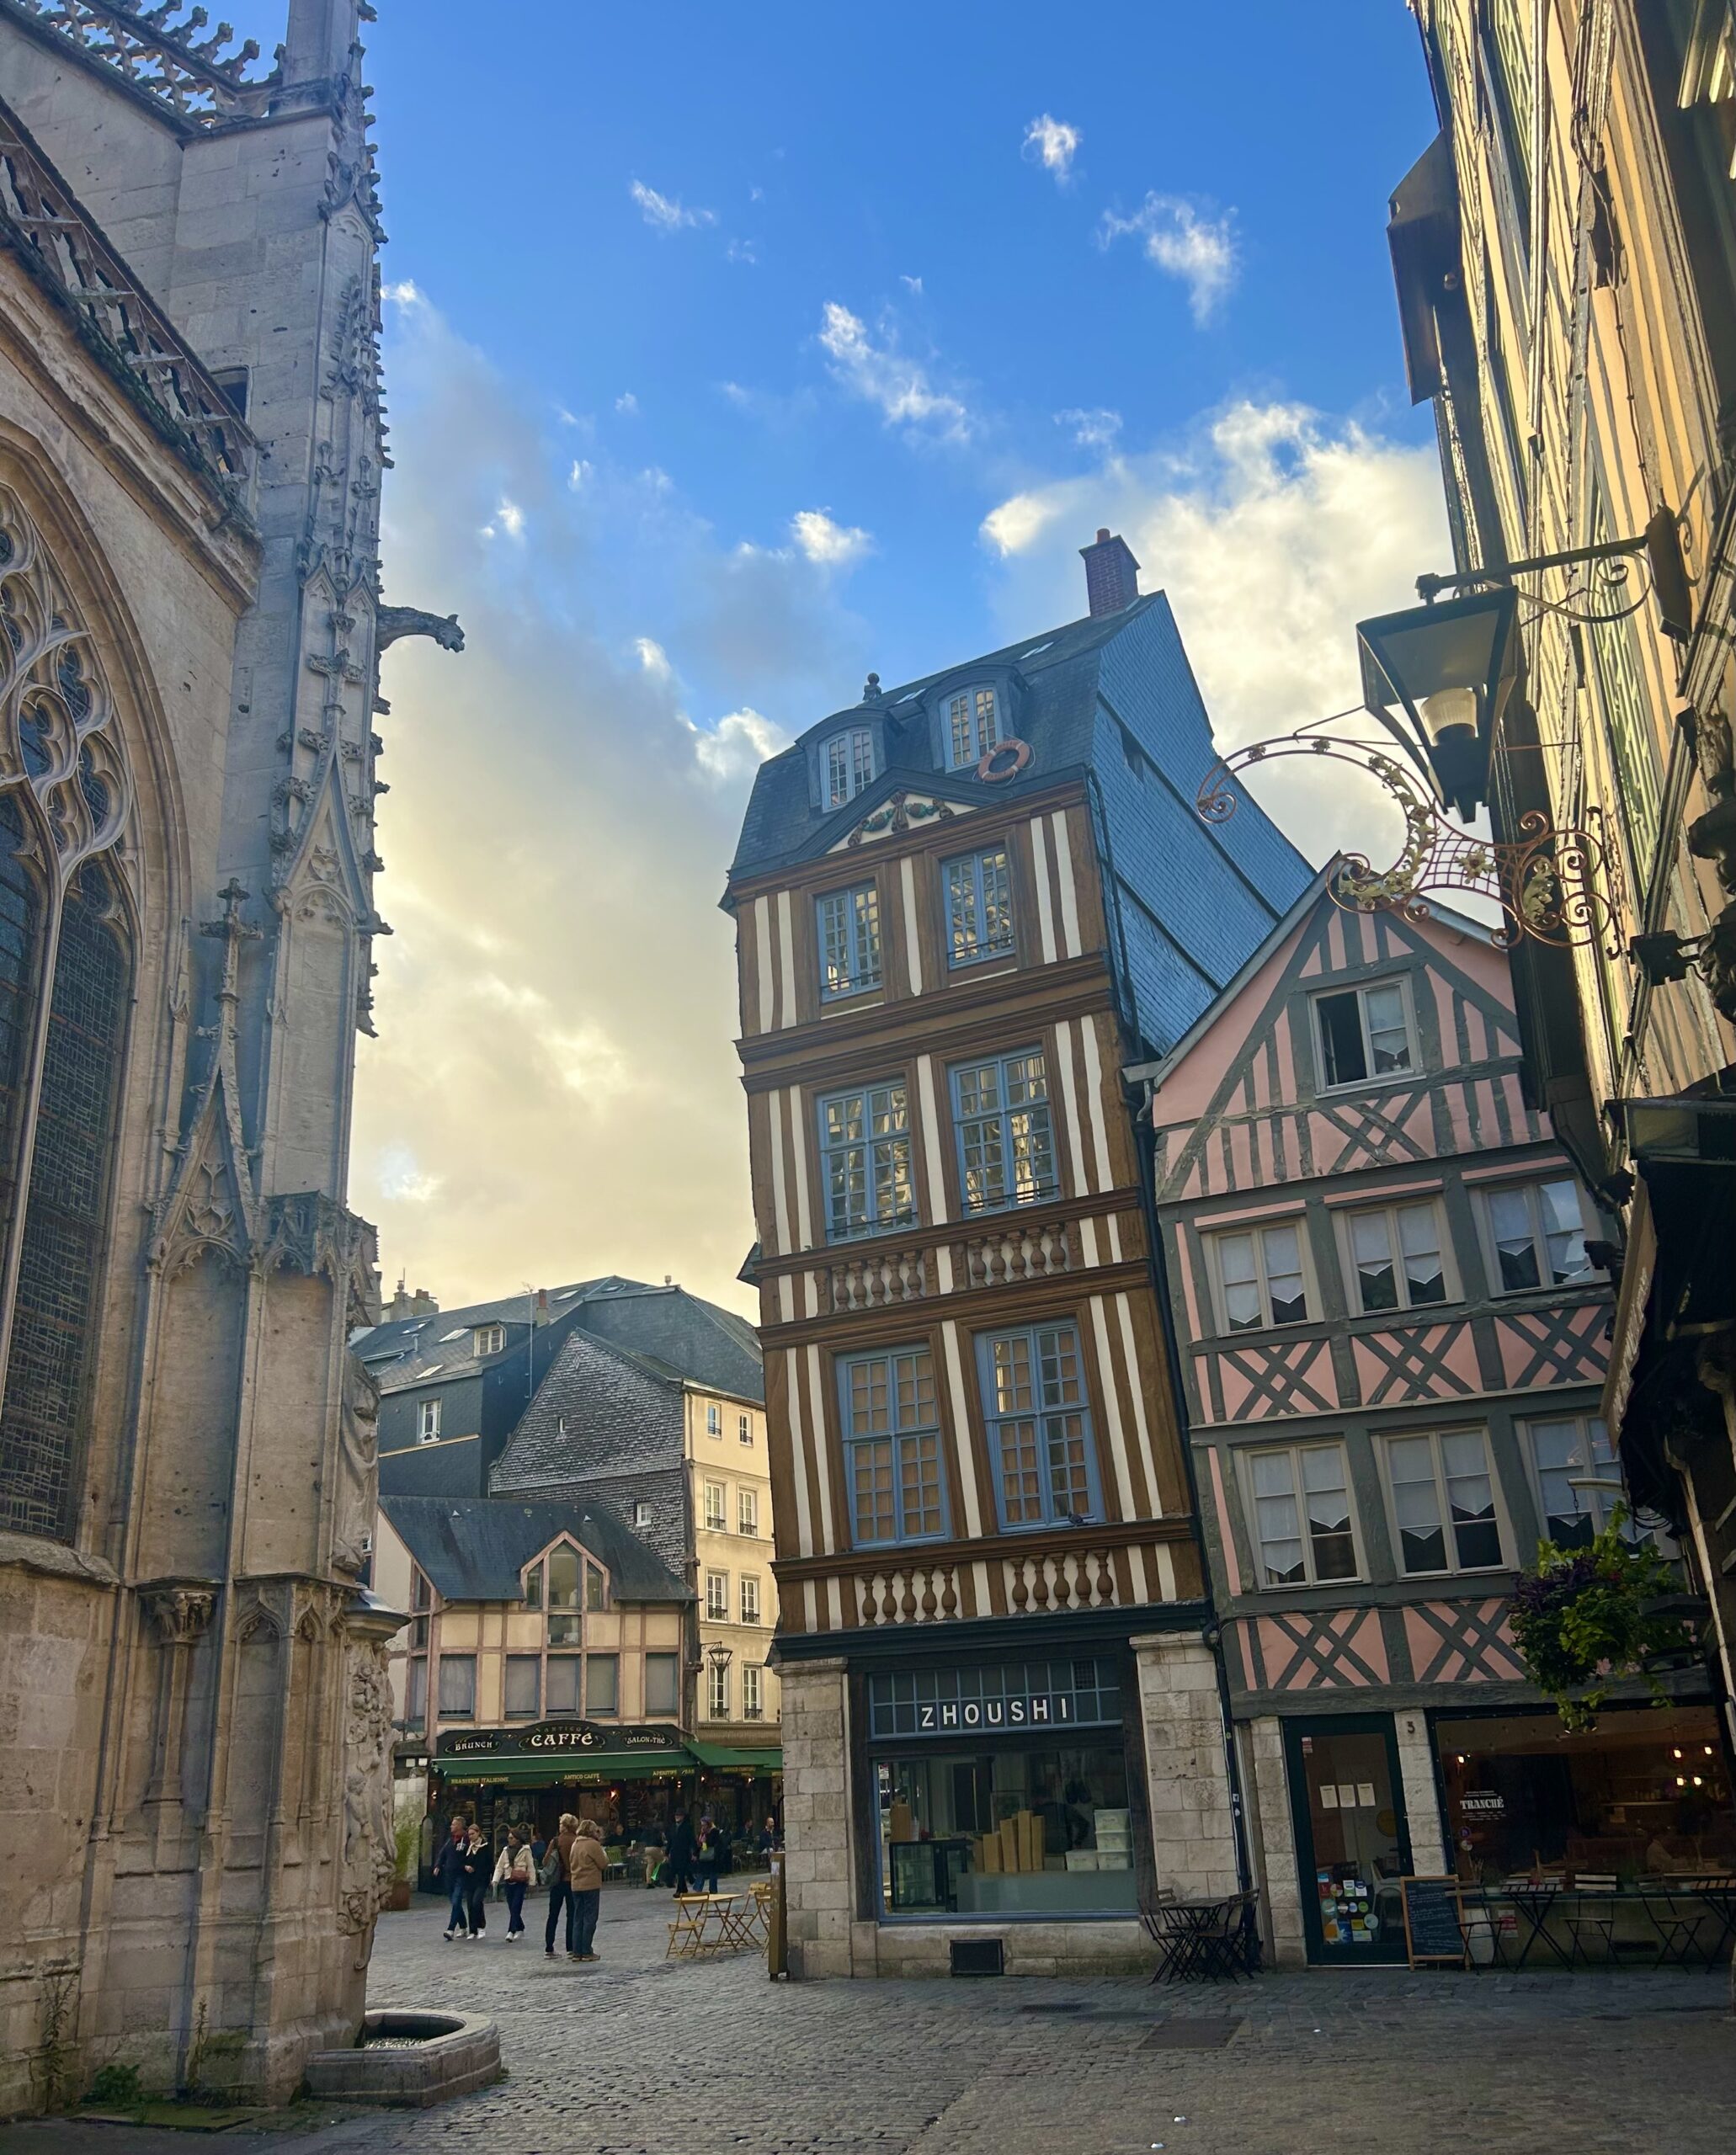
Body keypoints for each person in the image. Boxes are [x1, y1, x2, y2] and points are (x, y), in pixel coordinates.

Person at [567, 1817, 609, 1962]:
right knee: (590, 1917)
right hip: (590, 1884)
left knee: (578, 1918)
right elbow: (603, 1864)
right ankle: (586, 1950)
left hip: (576, 1885)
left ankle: (576, 1951)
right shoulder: (592, 1844)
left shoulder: (575, 1844)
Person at [543, 1811, 579, 1957]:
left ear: (564, 1826)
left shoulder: (556, 1841)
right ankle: (570, 1947)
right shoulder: (577, 1840)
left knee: (553, 1915)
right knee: (572, 1915)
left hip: (557, 1881)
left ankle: (549, 1947)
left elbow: (546, 1861)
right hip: (572, 1880)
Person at [493, 1826, 535, 1940]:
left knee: (516, 1905)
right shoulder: (505, 1851)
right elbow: (500, 1867)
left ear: (517, 1839)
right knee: (512, 1907)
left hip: (520, 1881)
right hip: (509, 1880)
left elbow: (531, 1867)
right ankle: (520, 1927)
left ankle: (511, 1931)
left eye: (512, 1838)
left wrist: (532, 1882)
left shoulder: (525, 1850)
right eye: (509, 1838)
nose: (509, 1840)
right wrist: (495, 1880)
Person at [434, 1817, 469, 1940]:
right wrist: (438, 1865)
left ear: (460, 1826)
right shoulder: (450, 1840)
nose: (451, 1826)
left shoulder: (466, 1839)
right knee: (455, 1902)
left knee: (457, 1899)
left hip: (461, 1874)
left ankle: (451, 1929)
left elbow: (469, 1856)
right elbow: (442, 1854)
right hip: (449, 1875)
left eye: (454, 1825)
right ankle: (464, 1926)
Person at [459, 1822, 491, 1938]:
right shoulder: (468, 1847)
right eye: (469, 1834)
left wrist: (478, 1870)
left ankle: (481, 1926)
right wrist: (465, 1867)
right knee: (470, 1904)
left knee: (477, 1902)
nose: (471, 1836)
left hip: (481, 1880)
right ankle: (472, 1930)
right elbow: (461, 1861)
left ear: (478, 1833)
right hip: (469, 1880)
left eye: (473, 1834)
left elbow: (489, 1864)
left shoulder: (485, 1846)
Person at [667, 1808, 698, 1896]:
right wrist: (667, 1852)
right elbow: (670, 1841)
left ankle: (679, 1890)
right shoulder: (672, 1827)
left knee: (681, 1871)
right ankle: (684, 1888)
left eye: (679, 1815)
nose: (677, 1817)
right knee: (675, 1871)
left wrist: (694, 1853)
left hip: (684, 1853)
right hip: (674, 1853)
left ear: (683, 1817)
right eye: (676, 1815)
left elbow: (692, 1840)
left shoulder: (687, 1827)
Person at [695, 1815, 723, 1893]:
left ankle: (713, 1891)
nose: (703, 1827)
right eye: (702, 1825)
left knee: (712, 1874)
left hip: (712, 1856)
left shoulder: (714, 1832)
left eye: (704, 1825)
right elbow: (699, 1845)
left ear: (708, 1825)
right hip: (703, 1855)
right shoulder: (702, 1833)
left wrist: (705, 1841)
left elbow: (715, 1844)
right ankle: (698, 1889)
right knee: (701, 1873)